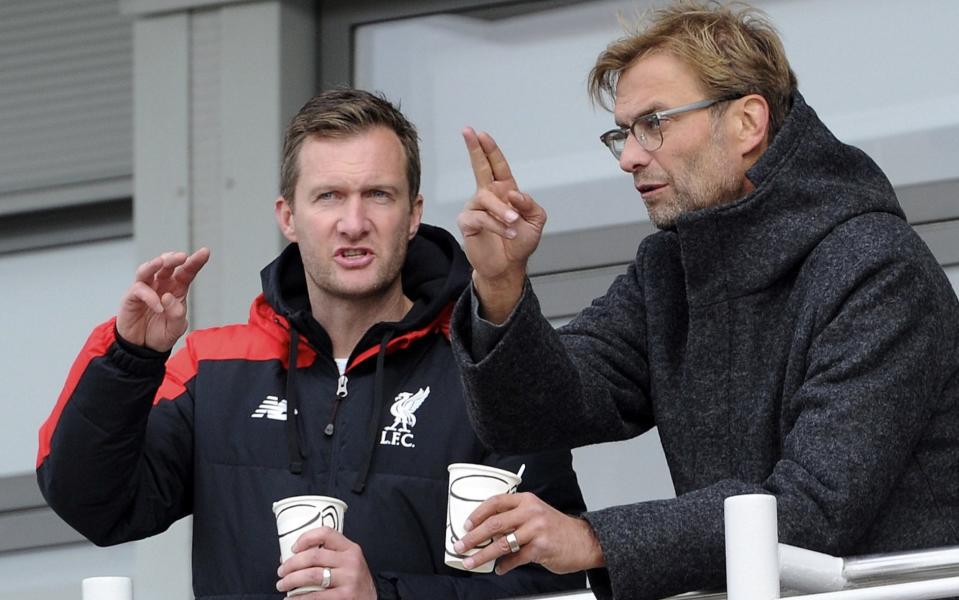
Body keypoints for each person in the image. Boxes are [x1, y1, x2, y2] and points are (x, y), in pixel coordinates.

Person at [448, 2, 959, 599]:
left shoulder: (878, 269)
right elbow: (537, 415)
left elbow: (814, 510)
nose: (630, 157)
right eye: (622, 133)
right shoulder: (669, 267)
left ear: (747, 122)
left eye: (655, 123)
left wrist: (594, 539)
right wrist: (502, 286)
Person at [36, 88, 586, 600]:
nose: (353, 222)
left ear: (413, 215)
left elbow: (556, 584)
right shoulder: (215, 367)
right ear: (288, 217)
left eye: (378, 195)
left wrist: (386, 595)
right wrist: (131, 358)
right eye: (328, 196)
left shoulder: (485, 366)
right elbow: (96, 506)